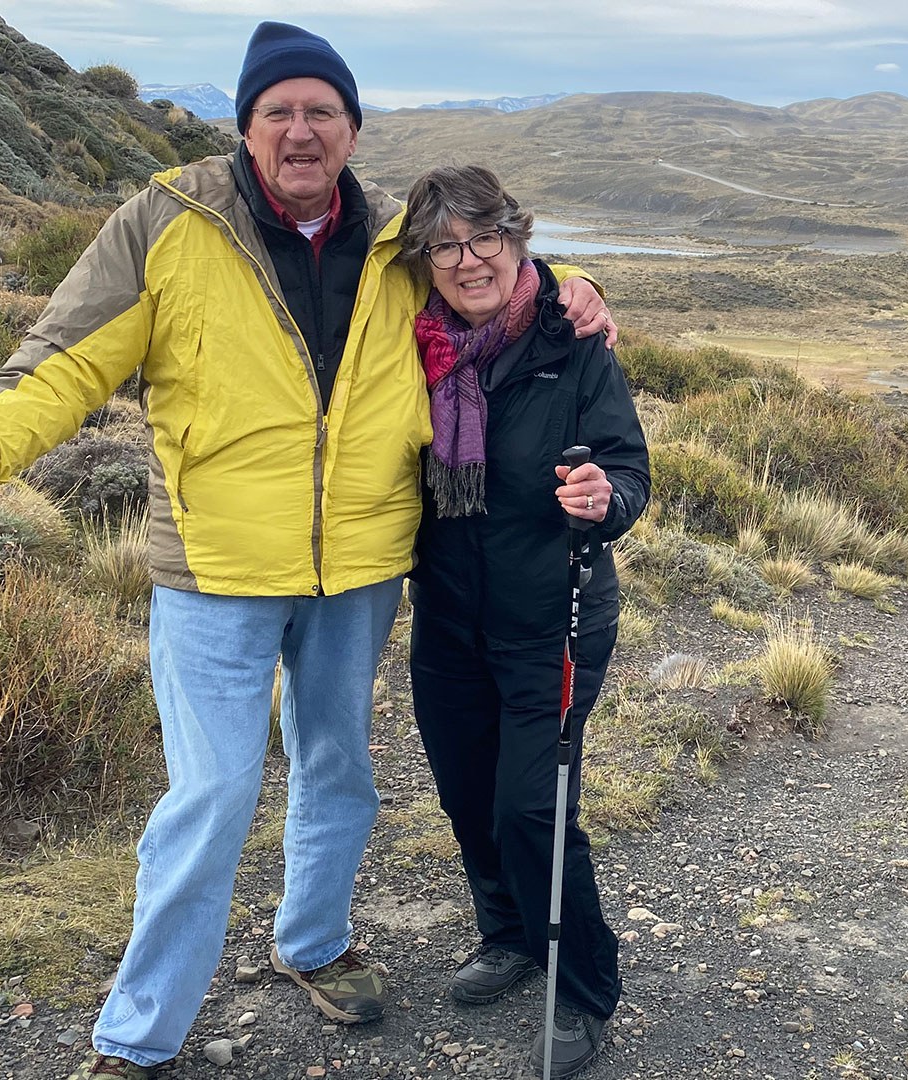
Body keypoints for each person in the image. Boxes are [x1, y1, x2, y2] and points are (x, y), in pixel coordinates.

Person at [0, 24, 613, 1080]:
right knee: (212, 795)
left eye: (323, 110)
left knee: (341, 773)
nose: (301, 129)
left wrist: (572, 283)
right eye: (278, 111)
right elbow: (64, 359)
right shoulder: (169, 222)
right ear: (245, 127)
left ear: (355, 129)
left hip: (360, 564)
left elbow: (491, 275)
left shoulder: (393, 241)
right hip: (216, 567)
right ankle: (139, 1038)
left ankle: (314, 945)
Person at [398, 165, 649, 1079]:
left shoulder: (573, 339)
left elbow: (629, 471)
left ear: (517, 238)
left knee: (531, 808)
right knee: (468, 796)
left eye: (486, 239)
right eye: (446, 246)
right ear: (424, 259)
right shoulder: (409, 343)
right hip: (449, 618)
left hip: (556, 618)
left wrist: (602, 498)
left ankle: (582, 989)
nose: (469, 262)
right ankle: (507, 936)